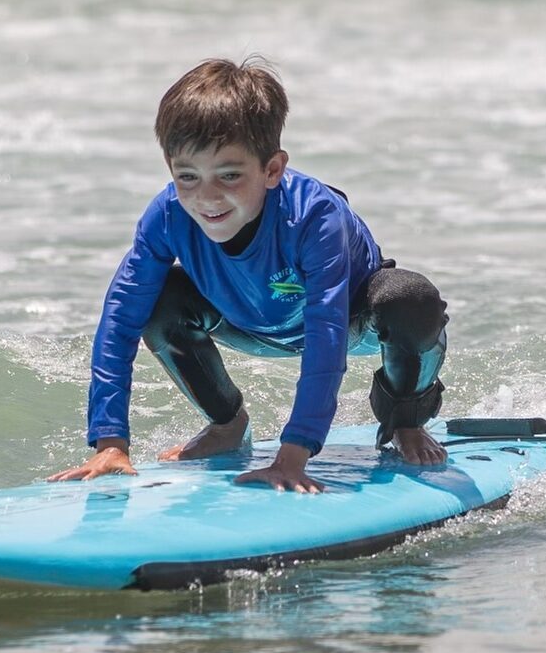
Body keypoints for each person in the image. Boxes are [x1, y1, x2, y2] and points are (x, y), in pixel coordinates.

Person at [49, 57, 448, 493]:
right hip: (245, 322)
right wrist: (111, 442)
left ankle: (405, 417)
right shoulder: (165, 216)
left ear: (272, 169)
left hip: (351, 321)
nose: (207, 197)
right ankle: (227, 424)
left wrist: (294, 453)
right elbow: (119, 321)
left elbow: (326, 336)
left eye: (230, 175)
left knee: (410, 298)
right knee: (156, 298)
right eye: (188, 176)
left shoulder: (315, 218)